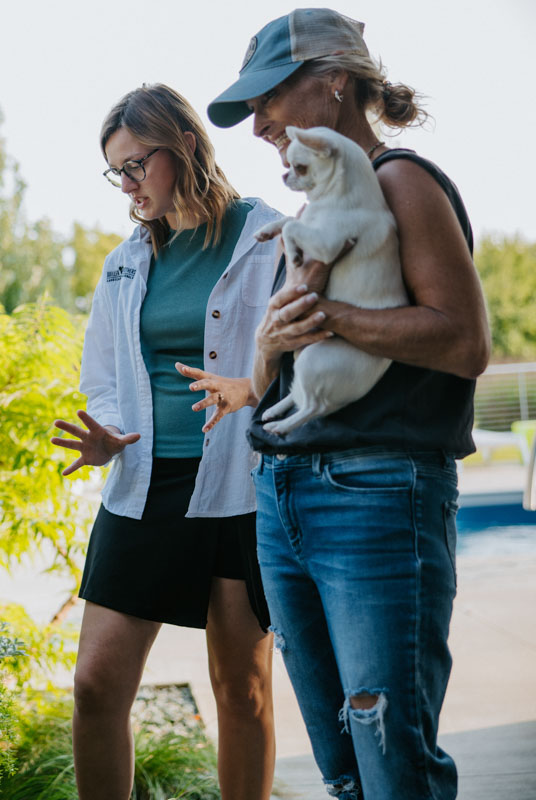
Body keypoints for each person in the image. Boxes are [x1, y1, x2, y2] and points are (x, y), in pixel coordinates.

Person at [204, 9, 490, 800]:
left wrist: (331, 316)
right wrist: (267, 351)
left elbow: (464, 343)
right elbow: (285, 380)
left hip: (374, 491)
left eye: (269, 98)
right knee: (343, 767)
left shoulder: (401, 180)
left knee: (392, 763)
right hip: (283, 489)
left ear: (334, 82)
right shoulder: (314, 214)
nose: (257, 123)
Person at [51, 84, 282, 800]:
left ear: (182, 147)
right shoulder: (124, 263)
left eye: (135, 164)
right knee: (95, 685)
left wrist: (253, 385)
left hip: (238, 487)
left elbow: (302, 352)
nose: (126, 184)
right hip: (145, 488)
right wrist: (109, 432)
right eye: (115, 171)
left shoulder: (266, 235)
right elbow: (106, 374)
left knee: (240, 689)